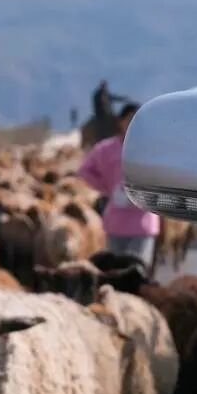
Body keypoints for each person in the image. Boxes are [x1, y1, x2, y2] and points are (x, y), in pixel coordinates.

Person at [78, 101, 159, 270]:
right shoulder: (106, 149)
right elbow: (85, 170)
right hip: (116, 222)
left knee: (136, 271)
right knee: (114, 273)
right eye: (129, 119)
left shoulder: (153, 148)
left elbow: (165, 174)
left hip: (142, 223)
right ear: (120, 121)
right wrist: (107, 187)